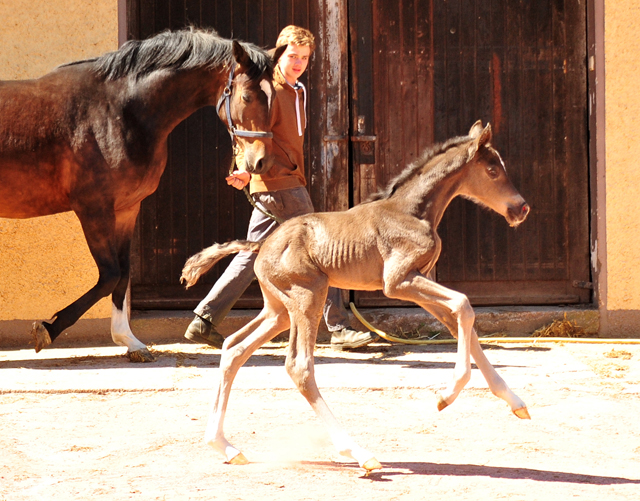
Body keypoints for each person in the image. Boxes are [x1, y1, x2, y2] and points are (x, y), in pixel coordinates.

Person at [185, 25, 377, 351]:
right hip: (280, 184)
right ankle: (339, 327)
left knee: (250, 253)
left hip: (285, 182)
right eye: (292, 55)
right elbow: (249, 128)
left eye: (304, 57)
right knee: (324, 248)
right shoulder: (268, 90)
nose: (298, 62)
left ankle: (204, 320)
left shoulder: (297, 89)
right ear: (279, 54)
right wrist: (246, 170)